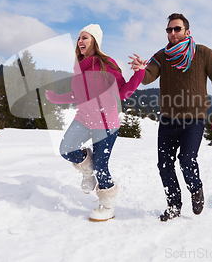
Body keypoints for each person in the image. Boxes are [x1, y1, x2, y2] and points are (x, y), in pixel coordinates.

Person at [45, 24, 145, 222]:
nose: (80, 41)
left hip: (106, 121)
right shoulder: (78, 68)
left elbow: (123, 92)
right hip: (84, 118)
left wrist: (140, 73)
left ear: (95, 42)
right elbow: (78, 94)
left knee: (101, 166)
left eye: (85, 38)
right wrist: (56, 98)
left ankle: (107, 204)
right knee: (66, 149)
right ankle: (87, 167)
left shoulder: (107, 63)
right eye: (79, 38)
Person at [139, 13, 212, 221]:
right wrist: (140, 70)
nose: (172, 33)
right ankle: (174, 205)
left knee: (187, 160)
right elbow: (147, 77)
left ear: (187, 32)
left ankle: (196, 188)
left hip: (194, 119)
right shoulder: (162, 56)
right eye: (169, 30)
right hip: (168, 120)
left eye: (176, 29)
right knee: (164, 165)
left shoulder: (204, 53)